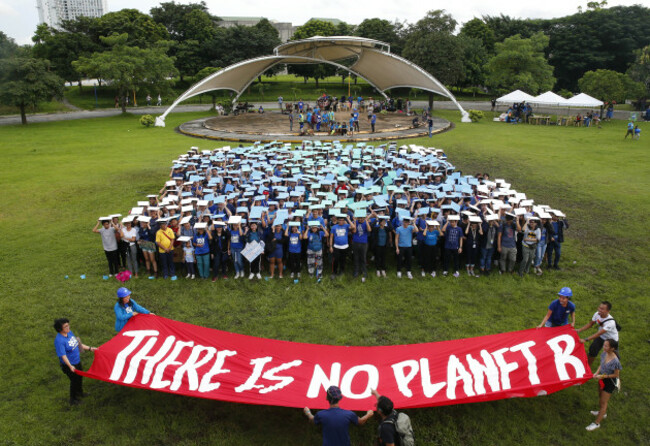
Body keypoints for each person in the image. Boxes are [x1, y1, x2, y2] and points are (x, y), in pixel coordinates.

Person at [303, 386, 373, 446]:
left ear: (327, 398)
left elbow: (312, 420)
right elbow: (360, 422)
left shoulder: (321, 414)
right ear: (340, 398)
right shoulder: (349, 414)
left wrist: (308, 412)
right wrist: (368, 415)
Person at [53, 318, 96, 406]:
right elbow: (63, 355)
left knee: (79, 378)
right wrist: (70, 366)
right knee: (74, 381)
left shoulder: (69, 333)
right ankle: (73, 400)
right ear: (60, 329)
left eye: (68, 325)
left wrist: (90, 348)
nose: (68, 327)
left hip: (77, 361)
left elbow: (77, 344)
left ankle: (80, 393)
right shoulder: (59, 341)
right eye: (65, 326)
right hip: (69, 365)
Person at [586, 339, 621, 431]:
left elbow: (616, 375)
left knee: (603, 402)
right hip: (602, 379)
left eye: (606, 346)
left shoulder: (615, 361)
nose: (603, 347)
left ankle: (596, 423)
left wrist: (603, 376)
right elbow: (601, 365)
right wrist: (596, 373)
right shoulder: (604, 354)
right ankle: (602, 413)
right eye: (604, 345)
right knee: (600, 396)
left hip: (609, 382)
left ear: (612, 348)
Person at [577, 301, 619, 366]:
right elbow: (591, 324)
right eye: (599, 307)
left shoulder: (610, 323)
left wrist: (585, 339)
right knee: (592, 350)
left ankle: (614, 371)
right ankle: (587, 367)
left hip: (611, 340)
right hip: (601, 337)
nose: (599, 310)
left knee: (612, 357)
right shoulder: (597, 314)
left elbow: (598, 333)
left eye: (602, 309)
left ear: (608, 311)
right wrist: (579, 330)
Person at [352, 215, 371, 282]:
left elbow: (369, 230)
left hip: (364, 243)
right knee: (356, 258)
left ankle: (364, 271)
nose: (360, 219)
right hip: (355, 242)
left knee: (363, 258)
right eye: (359, 218)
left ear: (363, 218)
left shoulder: (365, 222)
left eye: (361, 218)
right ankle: (356, 272)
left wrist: (366, 221)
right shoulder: (355, 222)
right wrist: (354, 221)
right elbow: (354, 231)